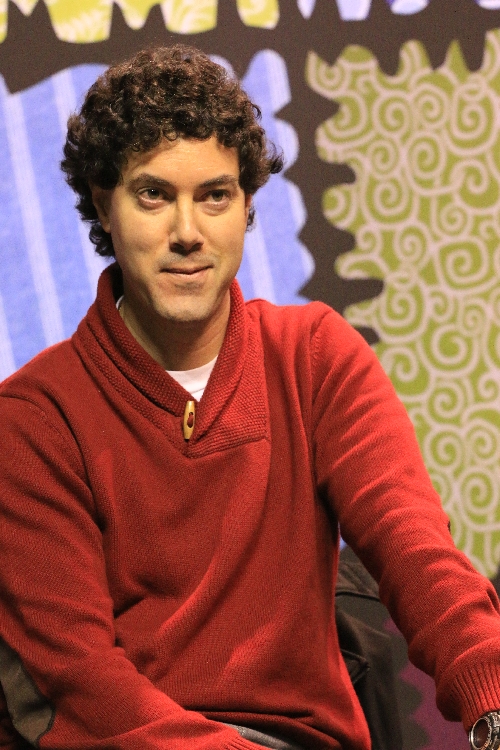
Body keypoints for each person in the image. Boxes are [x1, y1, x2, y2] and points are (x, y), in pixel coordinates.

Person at [0, 44, 500, 750]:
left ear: (246, 206)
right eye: (154, 195)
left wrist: (492, 700)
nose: (188, 233)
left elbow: (416, 551)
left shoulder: (314, 356)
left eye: (215, 196)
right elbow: (82, 686)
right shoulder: (32, 420)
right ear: (104, 204)